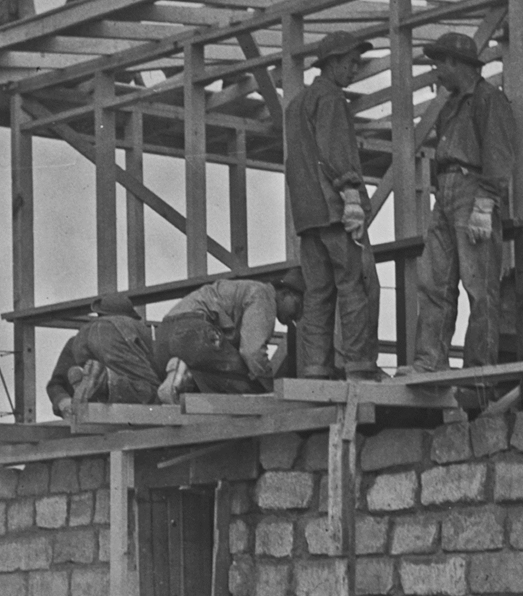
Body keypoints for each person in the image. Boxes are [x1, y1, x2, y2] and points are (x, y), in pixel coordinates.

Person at [398, 31, 517, 376]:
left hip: (471, 189)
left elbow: (498, 152)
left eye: (439, 63)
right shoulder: (450, 106)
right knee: (434, 281)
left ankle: (479, 369)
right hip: (447, 190)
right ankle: (430, 361)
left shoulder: (489, 100)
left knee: (479, 286)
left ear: (455, 63)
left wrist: (486, 202)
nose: (436, 71)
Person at [283, 33, 382, 380]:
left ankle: (315, 367)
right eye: (350, 62)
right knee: (354, 285)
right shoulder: (332, 99)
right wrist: (352, 195)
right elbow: (337, 151)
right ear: (333, 62)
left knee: (317, 293)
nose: (355, 69)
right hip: (335, 210)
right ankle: (358, 364)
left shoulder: (296, 104)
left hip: (308, 217)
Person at [154, 270, 305, 397]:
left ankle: (182, 377)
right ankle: (185, 376)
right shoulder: (264, 296)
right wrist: (272, 388)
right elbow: (253, 353)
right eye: (298, 305)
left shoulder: (246, 290)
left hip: (165, 335)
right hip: (192, 333)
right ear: (285, 294)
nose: (298, 316)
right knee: (251, 388)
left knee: (211, 385)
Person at [45, 293, 160, 418]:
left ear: (99, 314)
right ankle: (105, 383)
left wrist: (65, 404)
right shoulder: (133, 337)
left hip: (90, 418)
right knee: (151, 391)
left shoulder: (77, 341)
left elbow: (55, 385)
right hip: (129, 417)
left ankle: (101, 383)